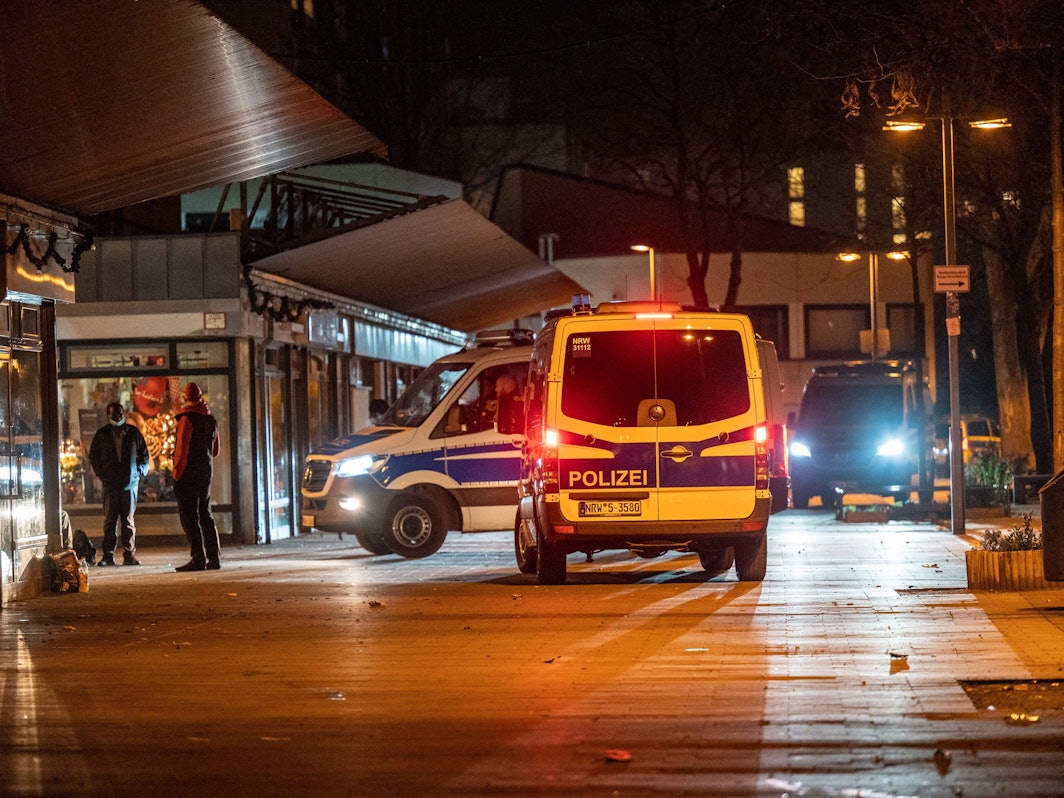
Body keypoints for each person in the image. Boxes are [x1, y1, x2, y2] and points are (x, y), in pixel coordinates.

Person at [88, 402, 149, 566]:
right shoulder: (102, 434)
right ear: (108, 415)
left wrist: (139, 471)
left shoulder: (133, 433)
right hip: (110, 484)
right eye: (114, 413)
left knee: (128, 521)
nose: (118, 416)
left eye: (120, 413)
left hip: (130, 483)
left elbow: (145, 455)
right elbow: (93, 456)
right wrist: (102, 474)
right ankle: (108, 555)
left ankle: (129, 554)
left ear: (124, 413)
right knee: (110, 520)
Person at [173, 382, 221, 572]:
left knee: (190, 517)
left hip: (187, 475)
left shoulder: (187, 419)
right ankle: (214, 558)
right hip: (205, 473)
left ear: (186, 397)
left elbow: (181, 450)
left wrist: (177, 474)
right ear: (201, 397)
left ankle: (197, 558)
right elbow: (215, 450)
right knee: (205, 514)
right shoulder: (211, 420)